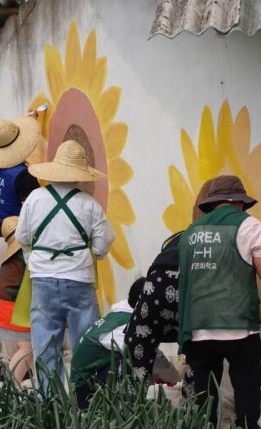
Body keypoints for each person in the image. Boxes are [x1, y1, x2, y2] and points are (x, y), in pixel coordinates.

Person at [178, 175, 261, 429]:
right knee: (245, 383)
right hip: (238, 324)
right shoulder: (250, 226)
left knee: (204, 387)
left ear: (212, 203)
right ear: (239, 203)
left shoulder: (191, 231)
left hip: (199, 323)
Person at [16, 140, 115, 394]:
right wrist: (90, 253)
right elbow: (104, 243)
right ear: (80, 173)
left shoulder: (35, 199)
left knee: (45, 346)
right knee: (87, 344)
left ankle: (50, 403)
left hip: (42, 281)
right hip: (79, 280)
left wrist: (36, 257)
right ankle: (86, 398)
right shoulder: (88, 203)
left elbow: (21, 237)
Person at [125, 178, 216, 386]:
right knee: (197, 348)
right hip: (190, 288)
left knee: (139, 339)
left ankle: (128, 403)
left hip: (156, 284)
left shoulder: (182, 235)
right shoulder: (221, 239)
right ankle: (194, 410)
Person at [0, 116, 43, 364]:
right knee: (17, 305)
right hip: (14, 245)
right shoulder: (24, 176)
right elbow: (36, 210)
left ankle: (1, 359)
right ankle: (18, 363)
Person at [71, 277, 146, 409]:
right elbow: (144, 353)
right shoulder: (127, 326)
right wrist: (173, 374)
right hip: (84, 391)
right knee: (133, 361)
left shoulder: (119, 316)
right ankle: (128, 408)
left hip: (89, 378)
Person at [0, 216, 34, 384]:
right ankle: (11, 388)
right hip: (8, 302)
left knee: (22, 348)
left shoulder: (16, 254)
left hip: (0, 300)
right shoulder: (26, 252)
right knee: (27, 348)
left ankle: (13, 386)